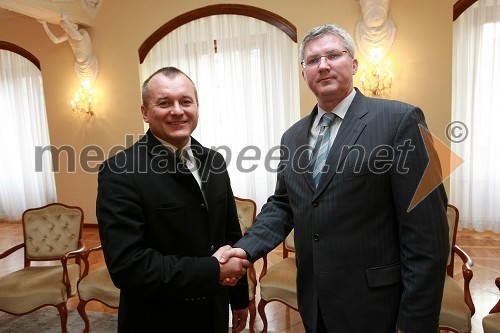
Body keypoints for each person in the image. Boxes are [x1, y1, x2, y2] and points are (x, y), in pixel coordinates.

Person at [220, 24, 449, 333]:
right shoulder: (292, 137)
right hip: (316, 303)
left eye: (333, 55)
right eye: (313, 60)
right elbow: (283, 205)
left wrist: (415, 324)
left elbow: (428, 237)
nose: (323, 65)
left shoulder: (401, 121)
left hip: (379, 306)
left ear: (354, 64)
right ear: (304, 74)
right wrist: (244, 249)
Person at [96, 66, 249, 333]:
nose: (177, 110)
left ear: (197, 107)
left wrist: (239, 299)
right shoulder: (120, 171)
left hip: (214, 313)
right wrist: (213, 270)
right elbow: (128, 266)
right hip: (157, 320)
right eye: (164, 103)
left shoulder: (214, 161)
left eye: (185, 101)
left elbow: (230, 235)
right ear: (145, 112)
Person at [39, 13, 99, 84]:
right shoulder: (69, 35)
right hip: (81, 65)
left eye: (65, 27)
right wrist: (44, 25)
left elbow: (76, 36)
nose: (64, 29)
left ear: (72, 26)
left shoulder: (82, 33)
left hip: (87, 65)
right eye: (63, 28)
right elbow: (56, 40)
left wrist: (66, 20)